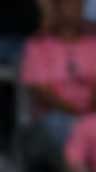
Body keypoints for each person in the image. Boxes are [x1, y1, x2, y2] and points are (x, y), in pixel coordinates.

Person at [20, 0, 96, 149]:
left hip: (89, 114)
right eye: (68, 5)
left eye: (78, 6)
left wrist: (88, 112)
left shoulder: (93, 44)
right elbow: (41, 91)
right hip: (53, 115)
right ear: (57, 9)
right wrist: (75, 111)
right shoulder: (38, 45)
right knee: (72, 130)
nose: (73, 11)